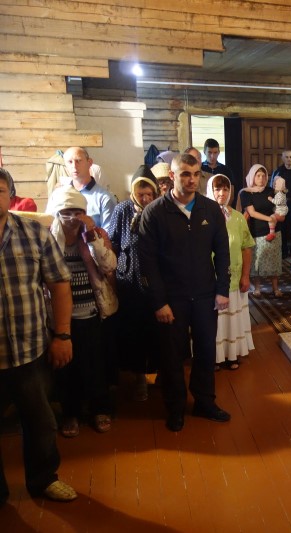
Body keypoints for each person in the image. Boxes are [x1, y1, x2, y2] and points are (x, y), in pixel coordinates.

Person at [138, 153, 232, 432]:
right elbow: (147, 262)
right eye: (185, 174)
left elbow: (223, 252)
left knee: (206, 351)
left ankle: (204, 402)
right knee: (172, 356)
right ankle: (176, 407)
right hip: (172, 299)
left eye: (196, 174)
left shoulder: (210, 210)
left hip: (205, 295)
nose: (192, 180)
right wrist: (159, 302)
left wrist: (222, 289)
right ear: (172, 176)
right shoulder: (154, 213)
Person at [0, 171, 78, 503]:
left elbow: (59, 285)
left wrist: (62, 335)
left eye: (0, 189)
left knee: (40, 422)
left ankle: (43, 479)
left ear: (11, 194)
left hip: (28, 350)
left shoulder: (34, 233)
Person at [47, 186, 117, 437]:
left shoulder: (95, 234)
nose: (72, 218)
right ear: (57, 213)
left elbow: (109, 266)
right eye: (66, 213)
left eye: (77, 212)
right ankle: (71, 412)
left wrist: (92, 236)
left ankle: (100, 408)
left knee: (95, 364)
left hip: (92, 310)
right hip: (60, 315)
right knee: (66, 368)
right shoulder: (48, 238)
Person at [107, 165, 161, 401]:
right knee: (134, 331)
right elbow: (113, 243)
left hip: (155, 280)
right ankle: (139, 377)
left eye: (149, 194)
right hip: (129, 281)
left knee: (157, 329)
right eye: (141, 193)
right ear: (133, 192)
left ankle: (157, 372)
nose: (145, 198)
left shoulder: (160, 210)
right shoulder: (122, 210)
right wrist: (112, 277)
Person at [207, 174, 255, 371]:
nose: (222, 193)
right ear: (210, 191)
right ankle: (214, 357)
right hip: (210, 280)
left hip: (234, 279)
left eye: (226, 189)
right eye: (217, 189)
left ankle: (231, 354)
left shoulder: (237, 218)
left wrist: (245, 276)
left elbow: (246, 247)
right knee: (215, 321)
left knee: (232, 319)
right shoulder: (204, 217)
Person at [238, 163, 284, 298]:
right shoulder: (246, 193)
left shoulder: (270, 191)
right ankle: (257, 288)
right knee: (257, 261)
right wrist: (269, 218)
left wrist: (277, 215)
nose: (261, 178)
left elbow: (278, 206)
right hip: (257, 231)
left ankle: (275, 288)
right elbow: (251, 212)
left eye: (264, 176)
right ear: (252, 176)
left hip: (274, 231)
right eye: (258, 175)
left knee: (274, 260)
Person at [55, 147, 117, 232]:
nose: (74, 166)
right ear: (65, 165)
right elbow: (50, 226)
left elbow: (108, 235)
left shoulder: (105, 198)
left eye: (79, 161)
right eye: (70, 162)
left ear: (89, 162)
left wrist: (90, 228)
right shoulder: (58, 196)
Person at [267, 176, 289, 241]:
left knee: (271, 218)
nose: (275, 185)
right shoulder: (282, 193)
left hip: (280, 211)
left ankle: (272, 233)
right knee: (274, 220)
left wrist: (271, 199)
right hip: (281, 210)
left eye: (276, 184)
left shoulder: (280, 194)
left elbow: (278, 202)